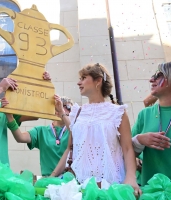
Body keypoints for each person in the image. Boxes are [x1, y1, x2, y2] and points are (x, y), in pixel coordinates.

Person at [51, 63, 140, 195]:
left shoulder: (117, 112)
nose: (78, 82)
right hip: (79, 188)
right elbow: (70, 149)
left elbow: (127, 148)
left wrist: (131, 178)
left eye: (83, 78)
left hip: (111, 187)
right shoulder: (77, 113)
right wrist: (52, 176)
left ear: (98, 80)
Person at [132, 61, 171, 186]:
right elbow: (125, 154)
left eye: (158, 75)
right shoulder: (144, 114)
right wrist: (140, 140)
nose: (151, 79)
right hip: (151, 193)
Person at [2, 96, 73, 177]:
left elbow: (74, 130)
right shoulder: (41, 131)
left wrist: (64, 115)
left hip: (69, 180)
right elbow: (20, 137)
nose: (71, 112)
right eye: (68, 107)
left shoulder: (73, 131)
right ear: (55, 110)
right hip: (48, 180)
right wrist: (9, 116)